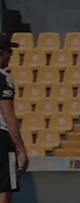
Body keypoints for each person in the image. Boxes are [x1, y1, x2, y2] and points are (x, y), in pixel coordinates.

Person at [0, 33, 28, 203]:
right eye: (9, 51)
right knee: (4, 186)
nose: (11, 55)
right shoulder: (3, 77)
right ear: (1, 52)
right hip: (1, 138)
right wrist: (20, 149)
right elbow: (7, 112)